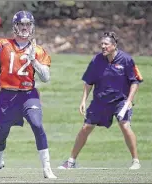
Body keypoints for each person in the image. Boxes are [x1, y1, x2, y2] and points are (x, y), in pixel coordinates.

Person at [0, 10, 57, 179]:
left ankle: (47, 168)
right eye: (21, 24)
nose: (25, 28)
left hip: (28, 95)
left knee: (37, 124)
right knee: (1, 133)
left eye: (28, 24)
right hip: (6, 96)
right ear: (15, 26)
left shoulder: (38, 50)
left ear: (32, 27)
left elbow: (46, 78)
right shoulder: (3, 44)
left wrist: (34, 61)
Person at [58, 31, 143, 170]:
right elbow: (88, 82)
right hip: (100, 101)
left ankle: (136, 161)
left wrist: (128, 101)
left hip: (120, 101)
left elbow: (135, 82)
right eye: (101, 44)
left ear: (114, 46)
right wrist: (83, 100)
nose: (103, 46)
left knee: (125, 125)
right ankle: (71, 162)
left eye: (106, 44)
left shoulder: (126, 60)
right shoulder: (96, 60)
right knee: (85, 128)